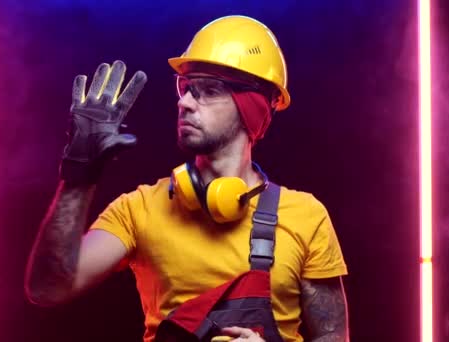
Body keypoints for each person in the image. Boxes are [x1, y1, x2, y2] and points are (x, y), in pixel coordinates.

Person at [25, 15, 349, 342]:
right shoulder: (138, 209)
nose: (185, 103)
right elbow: (49, 288)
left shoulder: (307, 217)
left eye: (207, 91)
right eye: (186, 88)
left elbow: (336, 337)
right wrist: (79, 173)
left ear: (251, 106)